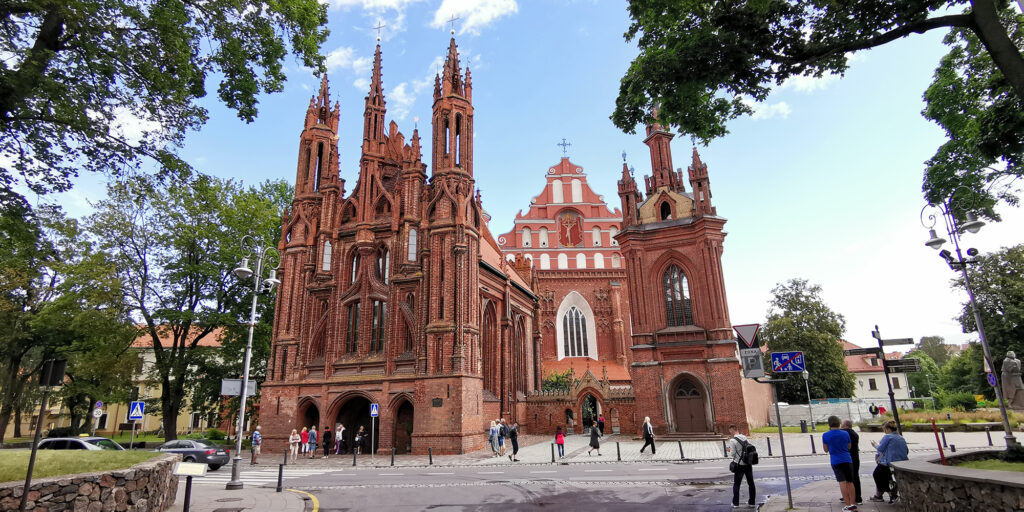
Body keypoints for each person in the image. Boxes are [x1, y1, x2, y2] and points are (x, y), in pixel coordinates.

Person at [822, 415, 857, 512]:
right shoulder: (845, 434)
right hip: (847, 459)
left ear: (829, 424)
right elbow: (849, 446)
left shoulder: (826, 435)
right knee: (850, 482)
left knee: (842, 482)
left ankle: (847, 504)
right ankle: (853, 504)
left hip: (836, 460)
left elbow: (825, 450)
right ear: (839, 423)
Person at [869, 420, 909, 504]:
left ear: (887, 429)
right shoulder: (900, 437)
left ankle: (890, 493)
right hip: (901, 461)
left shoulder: (887, 437)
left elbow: (880, 448)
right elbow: (906, 450)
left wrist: (874, 444)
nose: (884, 431)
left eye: (884, 429)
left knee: (877, 474)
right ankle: (887, 495)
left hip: (889, 462)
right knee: (887, 478)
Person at [728, 424, 755, 509]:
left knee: (737, 484)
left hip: (739, 465)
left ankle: (736, 503)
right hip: (748, 463)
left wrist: (729, 450)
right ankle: (752, 502)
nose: (730, 433)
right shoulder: (744, 437)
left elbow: (732, 454)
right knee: (751, 483)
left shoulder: (732, 441)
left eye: (730, 431)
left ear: (732, 430)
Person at [841, 419, 863, 504]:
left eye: (842, 424)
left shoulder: (844, 432)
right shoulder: (855, 433)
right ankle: (858, 497)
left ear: (845, 425)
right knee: (855, 477)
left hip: (847, 458)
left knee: (847, 478)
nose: (841, 426)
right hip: (855, 458)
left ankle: (848, 497)